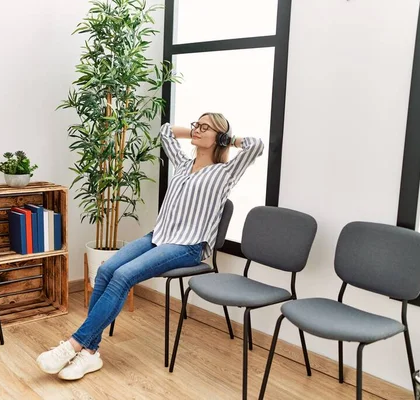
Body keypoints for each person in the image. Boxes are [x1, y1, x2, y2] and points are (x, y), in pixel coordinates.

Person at [36, 112, 264, 380]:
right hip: (158, 236)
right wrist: (192, 131)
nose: (198, 130)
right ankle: (90, 353)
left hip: (187, 245)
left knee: (123, 276)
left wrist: (230, 139)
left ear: (220, 137)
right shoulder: (182, 164)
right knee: (107, 269)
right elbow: (165, 131)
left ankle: (73, 345)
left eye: (206, 127)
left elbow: (256, 146)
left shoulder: (225, 172)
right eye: (196, 125)